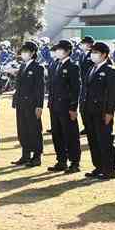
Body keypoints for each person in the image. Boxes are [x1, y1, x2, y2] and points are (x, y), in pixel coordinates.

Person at [82, 42, 115, 180]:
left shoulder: (111, 71)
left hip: (102, 112)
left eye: (96, 52)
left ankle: (109, 170)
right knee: (93, 140)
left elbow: (112, 94)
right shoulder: (92, 68)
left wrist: (109, 112)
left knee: (104, 141)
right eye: (92, 52)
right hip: (89, 110)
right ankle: (98, 167)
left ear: (104, 54)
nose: (93, 55)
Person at [48, 39, 81, 174]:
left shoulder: (73, 67)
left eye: (60, 49)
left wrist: (73, 107)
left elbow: (76, 88)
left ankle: (74, 162)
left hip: (66, 106)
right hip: (55, 105)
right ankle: (61, 160)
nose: (57, 52)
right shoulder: (55, 65)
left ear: (67, 51)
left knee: (70, 134)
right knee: (57, 134)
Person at [11, 41, 45, 167]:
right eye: (23, 51)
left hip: (32, 104)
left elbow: (40, 88)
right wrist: (15, 101)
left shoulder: (38, 67)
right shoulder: (23, 66)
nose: (24, 53)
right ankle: (25, 155)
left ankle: (36, 156)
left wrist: (39, 105)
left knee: (34, 130)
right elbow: (18, 87)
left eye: (26, 51)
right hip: (21, 103)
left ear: (33, 53)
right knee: (23, 129)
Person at [78, 36, 95, 136]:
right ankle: (86, 126)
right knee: (82, 108)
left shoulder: (95, 54)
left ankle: (91, 127)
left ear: (89, 44)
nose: (82, 45)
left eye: (84, 43)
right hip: (83, 85)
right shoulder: (82, 55)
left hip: (92, 85)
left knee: (91, 108)